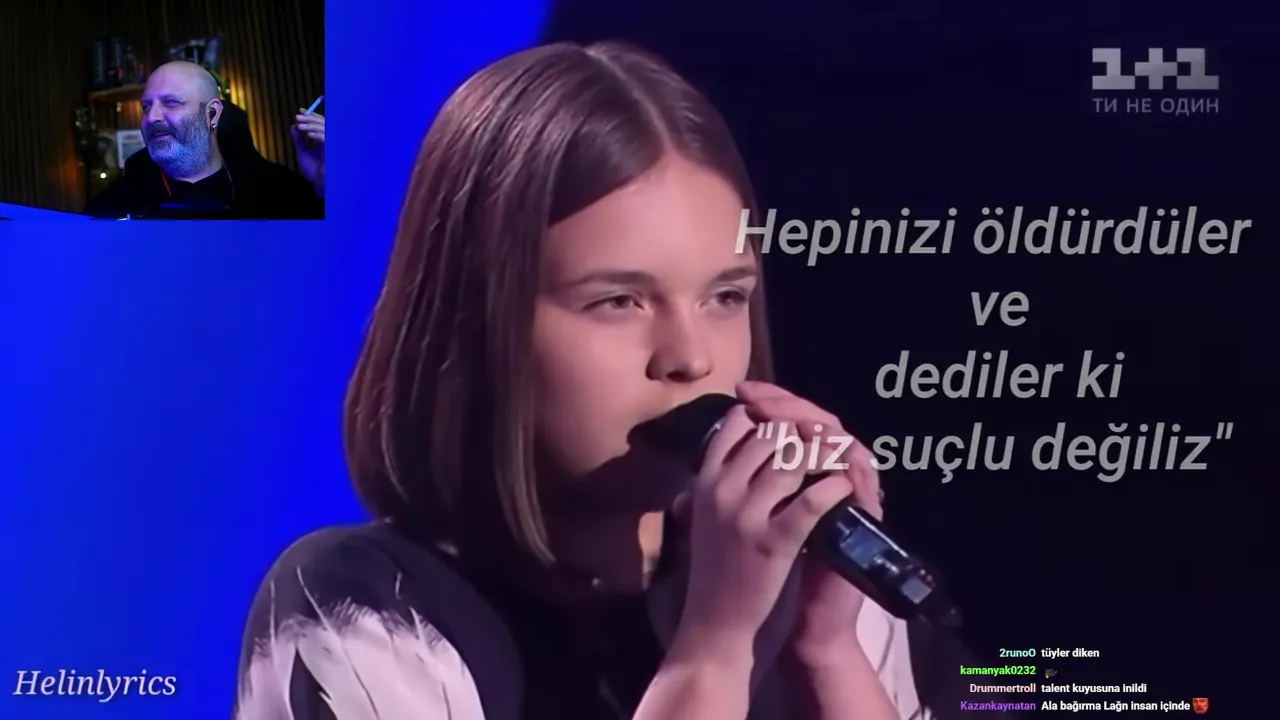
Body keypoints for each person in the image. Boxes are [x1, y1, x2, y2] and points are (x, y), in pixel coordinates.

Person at [234, 42, 992, 719]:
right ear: (477, 325)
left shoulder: (818, 588)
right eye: (619, 301)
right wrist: (712, 651)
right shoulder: (364, 607)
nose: (690, 359)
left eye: (724, 297)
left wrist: (827, 651)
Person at [82, 61, 324, 219]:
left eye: (171, 102)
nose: (151, 116)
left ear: (212, 113)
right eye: (146, 106)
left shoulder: (279, 193)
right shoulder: (112, 205)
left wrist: (323, 188)